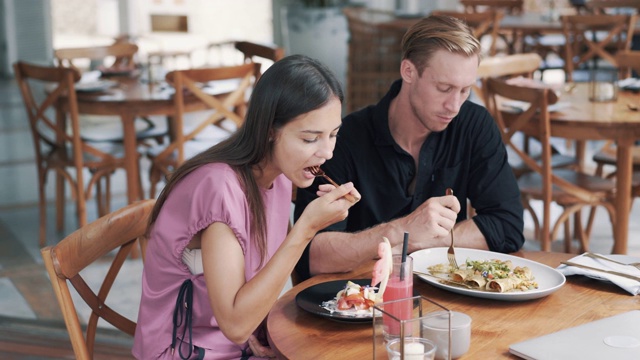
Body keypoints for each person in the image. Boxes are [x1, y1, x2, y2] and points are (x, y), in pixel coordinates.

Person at [133, 54, 360, 359]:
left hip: (239, 345)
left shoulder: (279, 177)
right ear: (269, 130)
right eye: (310, 139)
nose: (327, 152)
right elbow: (236, 325)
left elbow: (253, 297)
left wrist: (265, 327)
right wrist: (306, 228)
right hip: (185, 351)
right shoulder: (219, 188)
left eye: (333, 135)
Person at [294, 14, 524, 282]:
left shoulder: (473, 125)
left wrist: (419, 243)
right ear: (408, 72)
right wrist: (402, 229)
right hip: (361, 305)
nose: (454, 106)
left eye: (465, 90)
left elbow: (508, 226)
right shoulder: (343, 140)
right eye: (444, 88)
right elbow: (311, 257)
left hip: (448, 298)